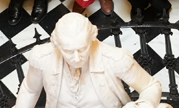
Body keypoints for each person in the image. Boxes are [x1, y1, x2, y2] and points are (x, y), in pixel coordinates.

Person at [15, 12, 167, 108]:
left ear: (92, 39)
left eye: (82, 49)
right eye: (68, 51)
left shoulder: (114, 58)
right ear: (57, 45)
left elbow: (150, 86)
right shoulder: (42, 57)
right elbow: (29, 90)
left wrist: (144, 105)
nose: (76, 58)